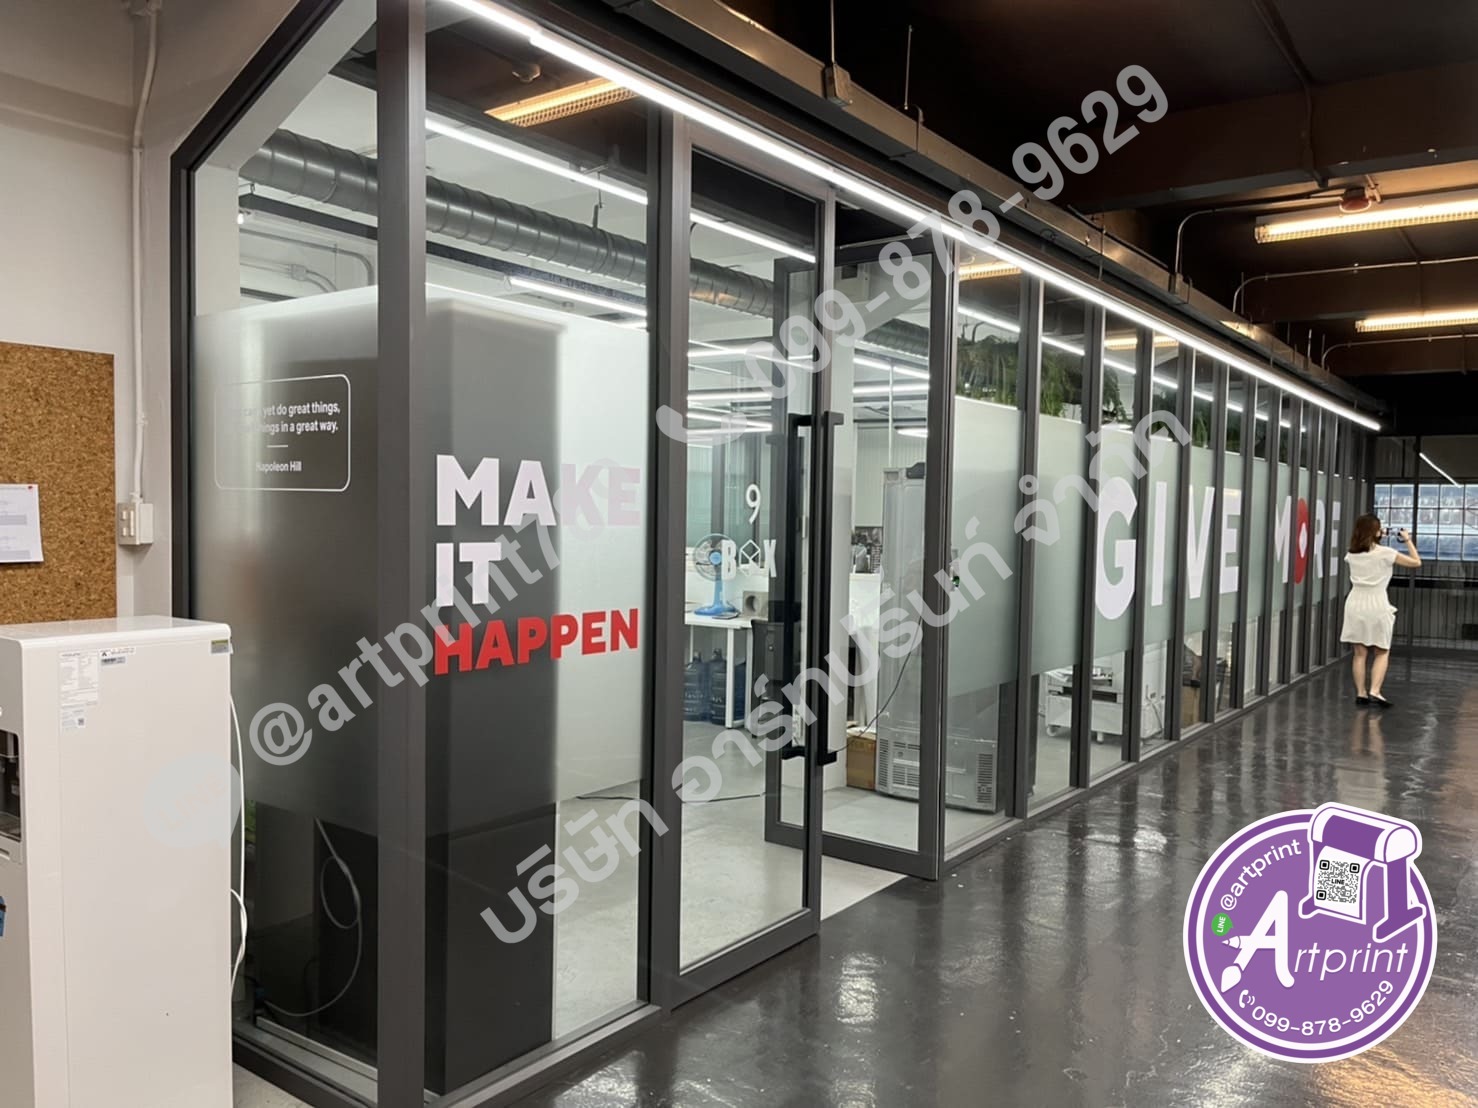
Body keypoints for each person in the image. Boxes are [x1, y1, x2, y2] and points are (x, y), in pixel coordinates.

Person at [1340, 514, 1420, 707]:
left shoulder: (1351, 554)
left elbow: (1364, 549)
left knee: (1359, 653)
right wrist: (1407, 540)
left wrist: (1377, 535)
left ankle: (1361, 693)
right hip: (1377, 603)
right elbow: (1416, 562)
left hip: (1355, 603)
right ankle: (1375, 690)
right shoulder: (1386, 553)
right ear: (1375, 532)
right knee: (1382, 651)